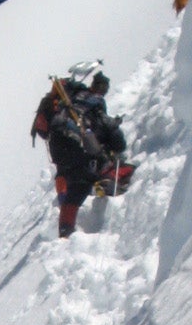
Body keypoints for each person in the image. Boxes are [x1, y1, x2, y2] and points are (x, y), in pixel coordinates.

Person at [32, 65, 128, 237]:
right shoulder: (94, 103)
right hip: (76, 142)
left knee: (72, 182)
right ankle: (106, 182)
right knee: (83, 181)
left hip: (57, 143)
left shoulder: (71, 99)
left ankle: (65, 231)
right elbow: (116, 138)